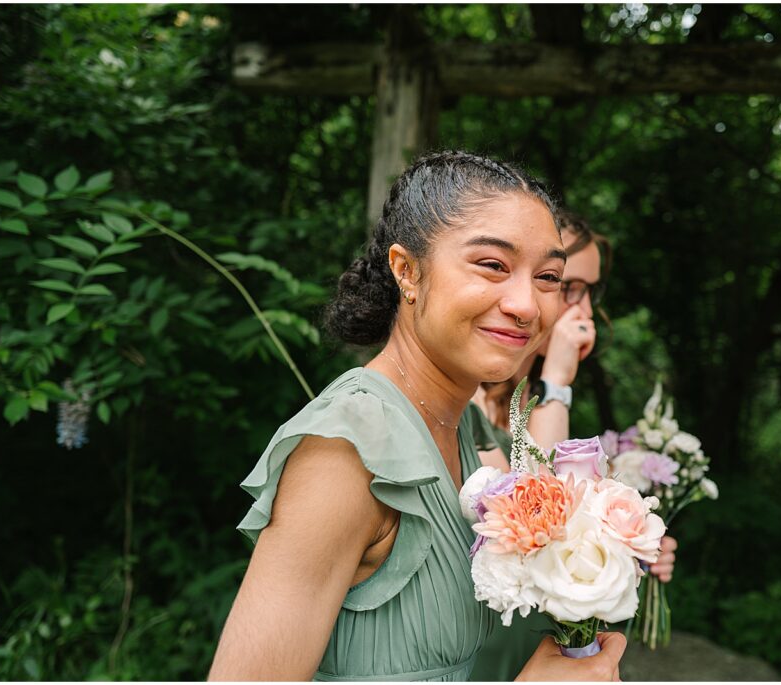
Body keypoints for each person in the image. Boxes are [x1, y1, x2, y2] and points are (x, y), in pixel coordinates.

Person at [207, 151, 628, 681]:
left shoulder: (466, 429)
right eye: (493, 265)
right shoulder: (351, 449)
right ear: (407, 270)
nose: (526, 304)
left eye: (548, 276)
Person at [468, 210, 678, 681]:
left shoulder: (526, 395)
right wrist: (558, 379)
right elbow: (539, 508)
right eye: (567, 286)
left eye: (589, 290)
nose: (584, 311)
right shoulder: (472, 396)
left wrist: (628, 541)